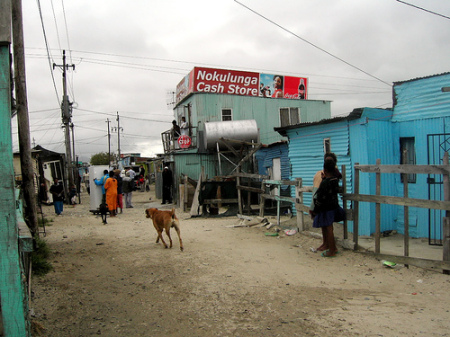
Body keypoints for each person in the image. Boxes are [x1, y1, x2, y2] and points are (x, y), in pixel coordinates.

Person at [311, 158, 345, 257]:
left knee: (328, 228)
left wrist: (315, 209)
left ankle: (332, 249)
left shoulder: (325, 183)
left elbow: (320, 196)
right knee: (328, 227)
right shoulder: (334, 180)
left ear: (325, 170)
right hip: (333, 206)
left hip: (326, 208)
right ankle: (329, 246)